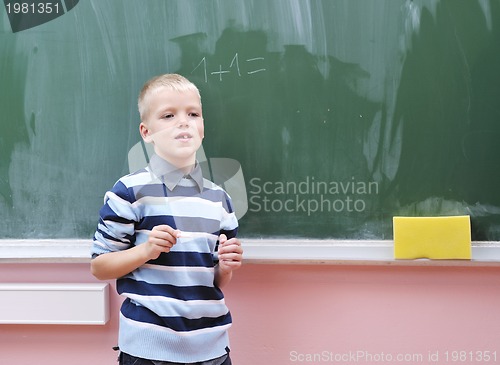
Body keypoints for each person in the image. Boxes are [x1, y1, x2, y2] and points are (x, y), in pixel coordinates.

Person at [91, 73, 243, 365]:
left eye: (193, 114)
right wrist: (146, 250)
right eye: (169, 115)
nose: (183, 122)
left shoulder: (219, 200)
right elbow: (99, 266)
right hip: (149, 349)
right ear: (146, 132)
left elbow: (215, 281)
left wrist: (226, 266)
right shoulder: (130, 192)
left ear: (202, 128)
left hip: (211, 348)